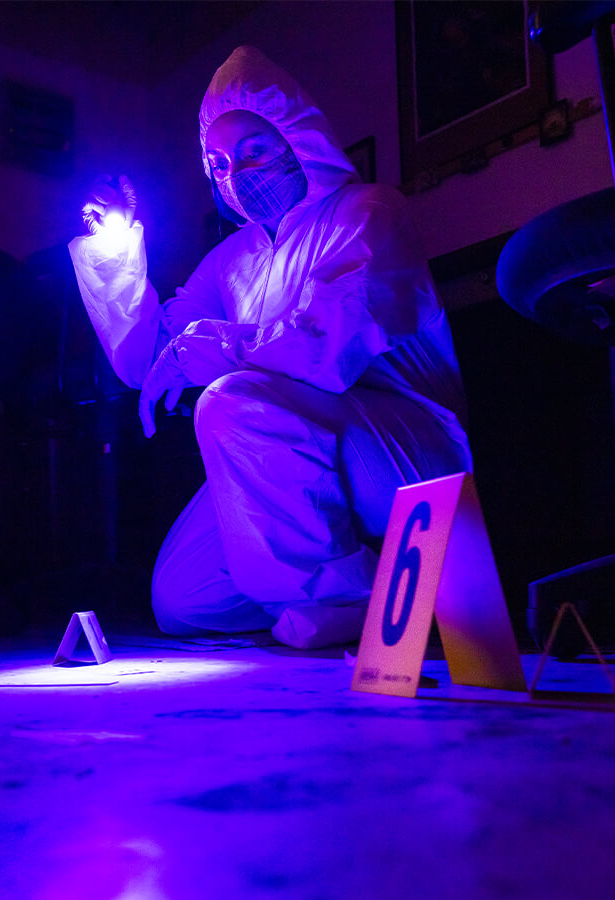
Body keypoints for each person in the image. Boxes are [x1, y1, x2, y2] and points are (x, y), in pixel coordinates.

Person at [69, 47, 471, 649]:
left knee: (231, 399)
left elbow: (327, 348)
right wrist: (119, 250)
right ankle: (345, 577)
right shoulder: (232, 261)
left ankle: (349, 605)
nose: (237, 174)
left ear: (298, 141)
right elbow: (151, 359)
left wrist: (216, 351)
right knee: (184, 598)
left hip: (405, 461)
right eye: (219, 164)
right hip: (293, 459)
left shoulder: (368, 212)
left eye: (254, 152)